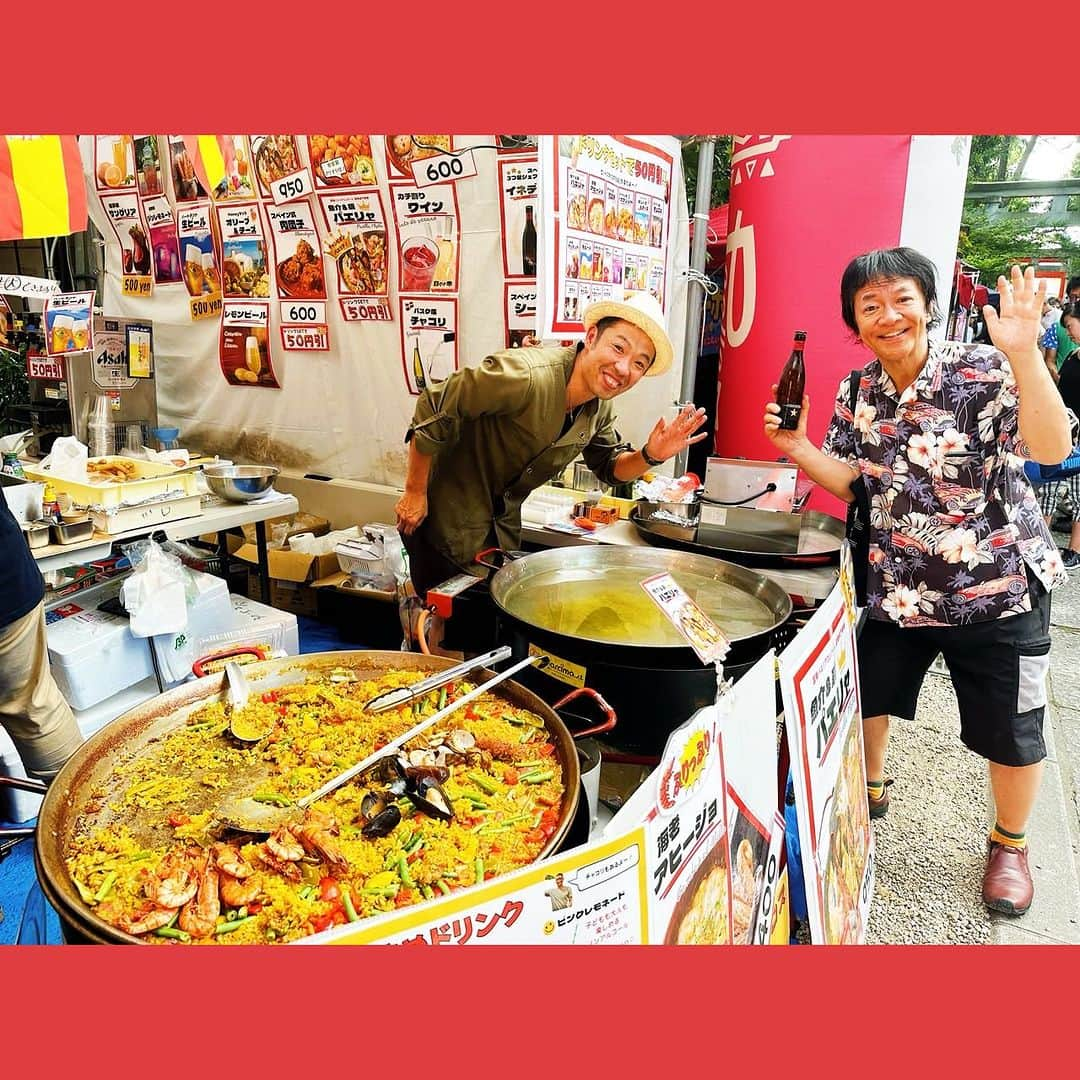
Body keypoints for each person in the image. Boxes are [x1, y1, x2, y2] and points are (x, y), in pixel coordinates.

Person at [763, 248, 1076, 917]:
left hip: (998, 590)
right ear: (855, 319)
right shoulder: (857, 390)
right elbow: (855, 483)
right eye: (869, 304)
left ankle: (1011, 844)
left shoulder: (984, 367)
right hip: (895, 587)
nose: (887, 314)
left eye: (901, 297)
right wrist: (797, 452)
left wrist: (1023, 354)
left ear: (928, 303)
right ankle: (871, 789)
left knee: (1014, 726)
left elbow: (1050, 449)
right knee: (867, 695)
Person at [395, 292, 707, 607]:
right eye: (618, 347)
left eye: (639, 363)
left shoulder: (599, 408)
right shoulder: (526, 375)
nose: (624, 367)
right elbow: (435, 403)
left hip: (497, 535)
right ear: (592, 336)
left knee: (484, 635)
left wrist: (651, 455)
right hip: (441, 525)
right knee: (440, 632)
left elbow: (610, 467)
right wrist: (414, 490)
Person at [0, 327, 83, 788]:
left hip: (5, 586)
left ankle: (76, 818)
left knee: (31, 704)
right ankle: (79, 815)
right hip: (7, 574)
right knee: (33, 705)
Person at [1034, 301, 1080, 566]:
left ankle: (1074, 550)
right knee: (1048, 489)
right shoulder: (1073, 358)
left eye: (1070, 326)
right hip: (1062, 433)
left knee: (1078, 494)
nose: (1068, 333)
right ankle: (1042, 544)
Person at [1041, 275, 1080, 379]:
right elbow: (1050, 360)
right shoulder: (1055, 328)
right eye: (1074, 298)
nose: (1077, 303)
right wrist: (1060, 380)